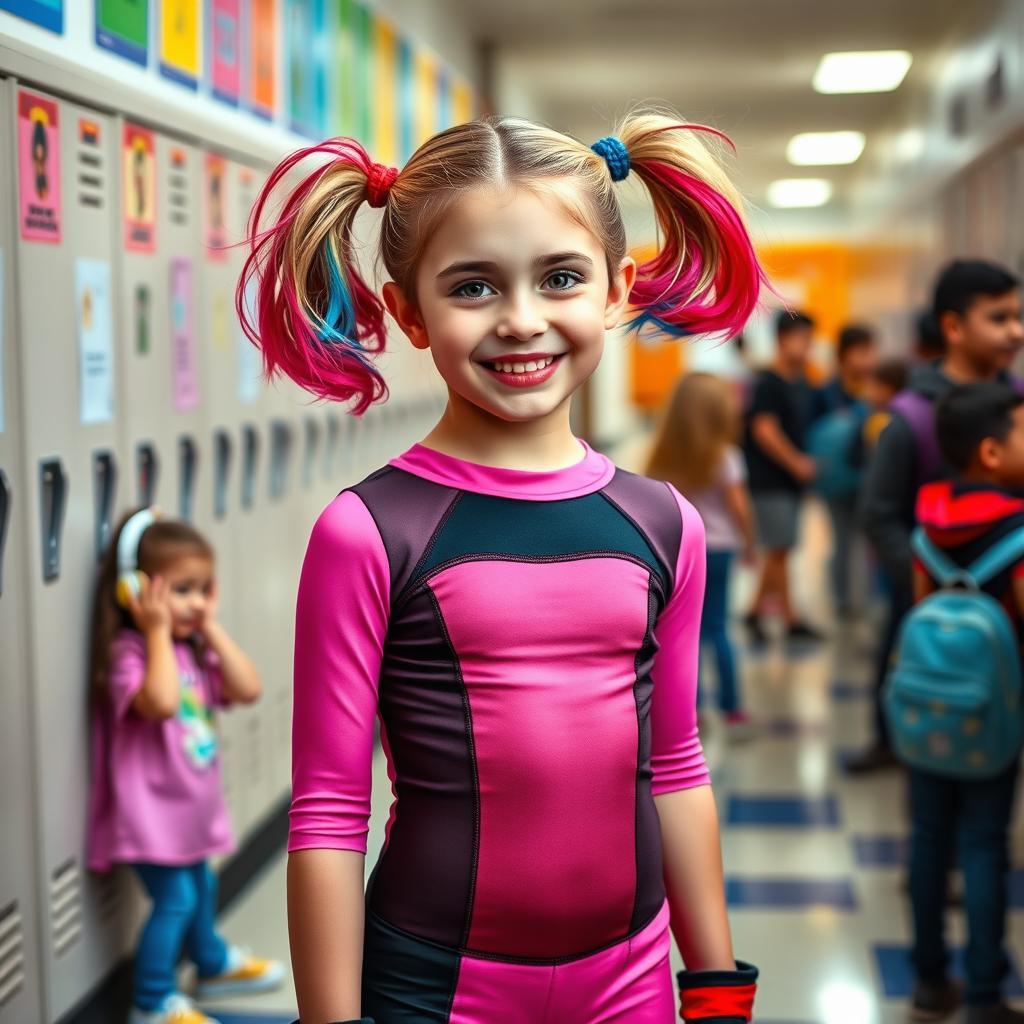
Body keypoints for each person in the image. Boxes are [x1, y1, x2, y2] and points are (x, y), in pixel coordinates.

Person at [239, 116, 765, 1024]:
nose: (522, 319)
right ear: (409, 312)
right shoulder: (369, 530)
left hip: (632, 980)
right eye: (472, 286)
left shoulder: (662, 521)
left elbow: (676, 766)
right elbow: (328, 812)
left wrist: (714, 987)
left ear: (615, 288)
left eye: (560, 277)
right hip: (433, 988)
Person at [87, 510, 284, 1024]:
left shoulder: (191, 649)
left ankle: (212, 964)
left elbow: (248, 687)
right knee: (175, 900)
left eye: (203, 589)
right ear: (136, 591)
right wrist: (154, 631)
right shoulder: (131, 653)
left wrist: (209, 627)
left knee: (203, 887)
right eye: (182, 590)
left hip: (190, 811)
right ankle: (150, 1001)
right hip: (150, 816)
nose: (196, 602)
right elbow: (160, 702)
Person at [849, 259, 1024, 774]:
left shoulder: (1016, 408)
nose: (1016, 331)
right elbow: (880, 513)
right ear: (952, 327)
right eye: (999, 318)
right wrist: (931, 585)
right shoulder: (911, 417)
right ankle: (892, 742)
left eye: (1018, 316)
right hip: (929, 603)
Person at [902, 383, 1024, 1024]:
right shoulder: (1020, 534)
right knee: (983, 843)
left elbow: (922, 609)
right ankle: (981, 991)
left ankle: (927, 981)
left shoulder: (929, 524)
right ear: (991, 453)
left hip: (927, 714)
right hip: (993, 719)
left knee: (928, 839)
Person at [647, 373, 756, 739]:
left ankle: (691, 711)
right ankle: (733, 710)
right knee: (718, 630)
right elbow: (739, 507)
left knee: (681, 635)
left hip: (677, 554)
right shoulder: (727, 457)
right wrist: (751, 542)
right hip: (720, 552)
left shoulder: (663, 455)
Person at [742, 309, 820, 644]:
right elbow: (764, 430)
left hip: (788, 483)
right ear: (782, 339)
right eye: (801, 339)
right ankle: (787, 618)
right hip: (769, 480)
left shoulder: (800, 382)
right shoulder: (768, 384)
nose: (806, 346)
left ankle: (760, 612)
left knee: (780, 549)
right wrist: (796, 463)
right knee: (779, 547)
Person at [809, 324, 877, 617]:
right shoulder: (826, 393)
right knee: (842, 541)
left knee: (868, 543)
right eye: (860, 351)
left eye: (869, 351)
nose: (867, 359)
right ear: (843, 355)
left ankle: (866, 598)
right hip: (836, 481)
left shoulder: (876, 389)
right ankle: (843, 601)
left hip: (870, 479)